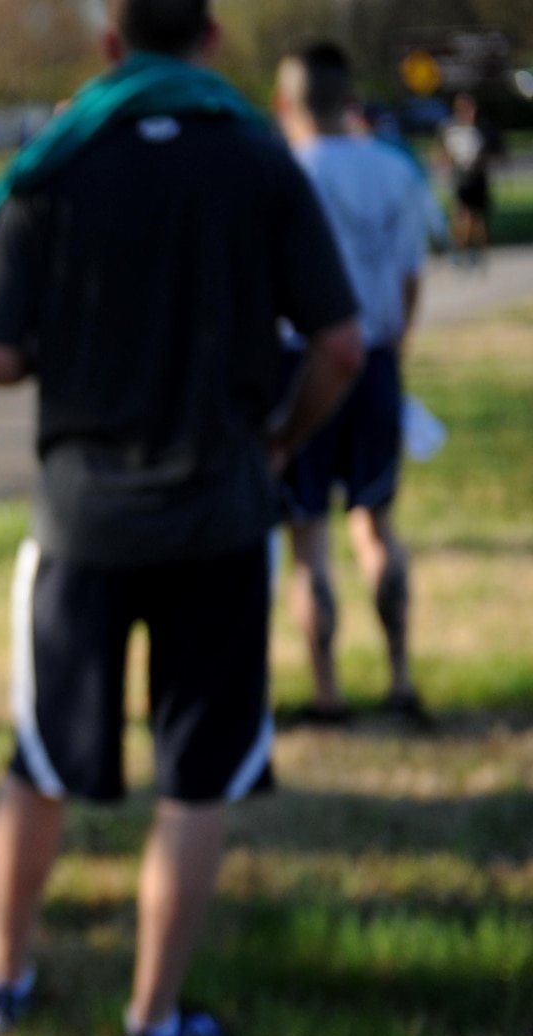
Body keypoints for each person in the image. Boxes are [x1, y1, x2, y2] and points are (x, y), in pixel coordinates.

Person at [0, 0, 364, 1036]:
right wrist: (276, 440)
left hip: (81, 517)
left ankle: (0, 980)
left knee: (37, 760)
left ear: (108, 44)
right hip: (220, 515)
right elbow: (339, 346)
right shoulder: (257, 156)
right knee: (195, 779)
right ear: (210, 40)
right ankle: (151, 1014)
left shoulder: (60, 156)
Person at [273, 43, 431, 724]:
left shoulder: (287, 174)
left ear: (286, 104)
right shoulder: (395, 171)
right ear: (348, 98)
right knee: (377, 522)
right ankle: (399, 676)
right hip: (375, 357)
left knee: (308, 538)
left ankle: (328, 690)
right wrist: (395, 346)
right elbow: (411, 274)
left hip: (304, 362)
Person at [438, 93, 499, 269]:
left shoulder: (482, 129)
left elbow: (493, 152)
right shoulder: (450, 129)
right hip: (461, 178)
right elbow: (442, 152)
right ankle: (459, 250)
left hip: (478, 179)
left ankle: (477, 251)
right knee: (462, 215)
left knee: (478, 218)